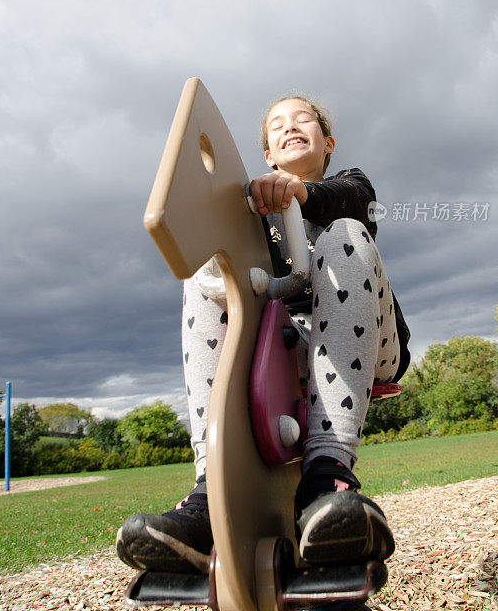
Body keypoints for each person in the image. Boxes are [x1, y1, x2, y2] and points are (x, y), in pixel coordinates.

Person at [116, 95, 410, 574]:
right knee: (207, 271)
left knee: (345, 234)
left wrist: (297, 192)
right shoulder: (255, 212)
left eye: (304, 120)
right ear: (268, 154)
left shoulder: (350, 186)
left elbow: (350, 199)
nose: (290, 126)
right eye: (277, 125)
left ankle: (328, 478)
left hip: (365, 343)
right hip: (283, 345)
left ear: (327, 142)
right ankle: (210, 495)